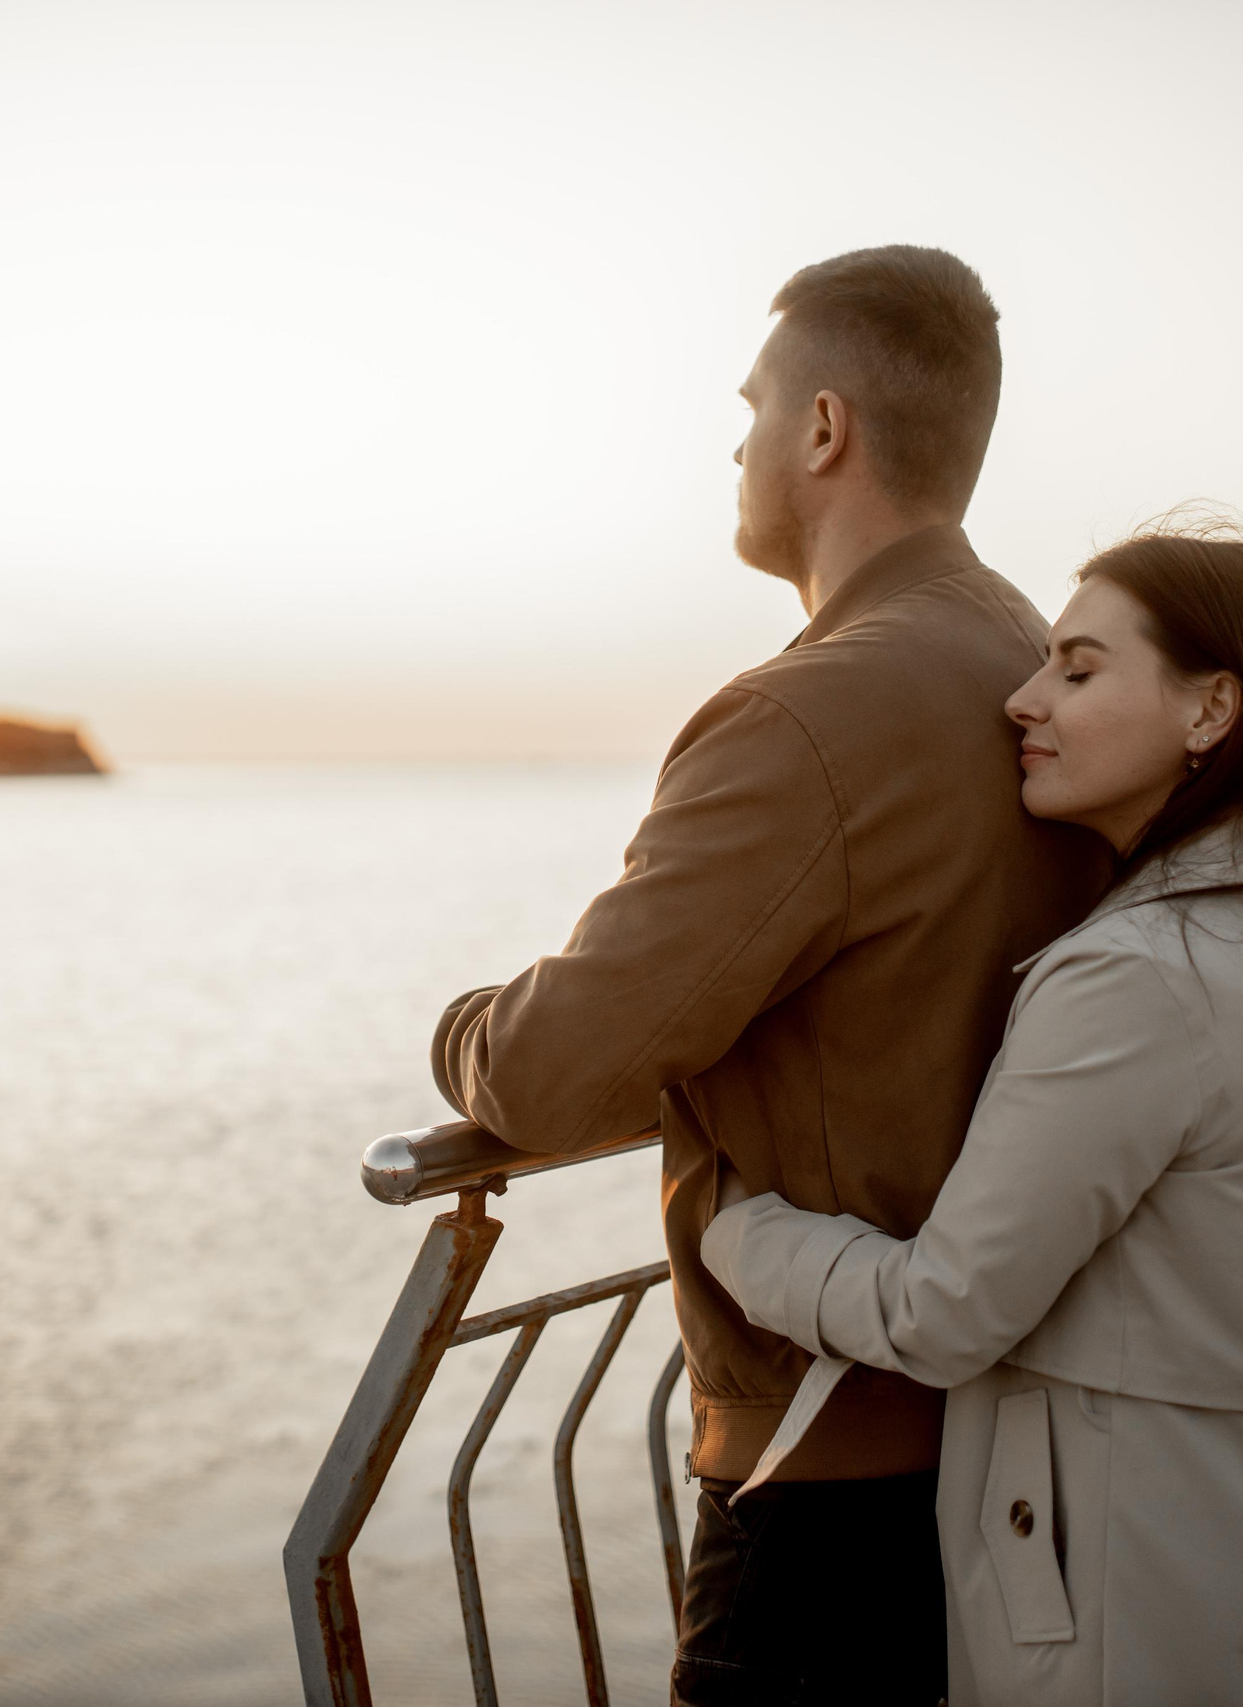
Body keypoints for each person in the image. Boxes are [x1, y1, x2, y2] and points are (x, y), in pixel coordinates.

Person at [427, 245, 1109, 1702]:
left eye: (752, 405)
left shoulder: (808, 713)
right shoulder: (1040, 666)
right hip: (1028, 1442)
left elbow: (550, 1070)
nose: (734, 440)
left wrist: (459, 1033)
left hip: (828, 1476)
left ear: (822, 429)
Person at [700, 524, 1243, 1705]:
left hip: (1166, 1611)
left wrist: (733, 1231)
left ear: (1211, 710)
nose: (1020, 700)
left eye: (1076, 668)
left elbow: (942, 1313)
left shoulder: (1142, 973)